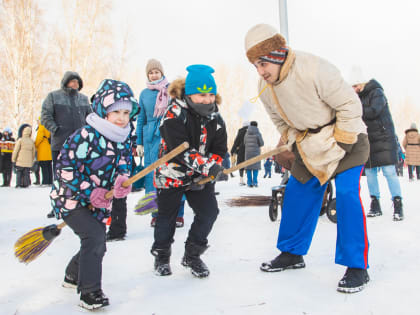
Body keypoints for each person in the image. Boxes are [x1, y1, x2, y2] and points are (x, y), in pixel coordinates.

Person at [244, 24, 370, 293]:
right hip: (311, 143)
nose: (261, 71)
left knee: (347, 194)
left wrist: (342, 141)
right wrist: (292, 140)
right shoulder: (265, 86)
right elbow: (280, 122)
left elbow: (350, 104)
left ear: (277, 55)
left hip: (347, 136)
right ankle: (292, 253)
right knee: (298, 192)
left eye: (263, 63)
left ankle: (357, 266)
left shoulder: (314, 68)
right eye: (255, 65)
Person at [49, 79, 138, 310]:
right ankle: (90, 292)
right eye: (115, 111)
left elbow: (125, 164)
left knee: (97, 241)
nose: (121, 117)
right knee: (95, 238)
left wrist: (121, 180)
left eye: (126, 112)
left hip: (100, 201)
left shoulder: (124, 137)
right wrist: (90, 192)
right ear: (102, 110)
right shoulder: (85, 136)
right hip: (69, 197)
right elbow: (64, 168)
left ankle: (71, 275)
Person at [151, 64, 227, 278]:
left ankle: (192, 255)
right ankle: (162, 256)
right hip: (171, 174)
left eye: (211, 94)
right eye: (202, 94)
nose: (207, 99)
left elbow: (220, 148)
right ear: (190, 93)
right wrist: (207, 166)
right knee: (167, 217)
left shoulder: (216, 118)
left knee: (209, 212)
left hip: (199, 177)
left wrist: (211, 167)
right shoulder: (173, 114)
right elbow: (178, 150)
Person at [136, 59, 185, 228]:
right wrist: (139, 142)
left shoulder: (172, 89)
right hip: (151, 138)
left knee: (175, 172)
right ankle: (156, 214)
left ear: (162, 72)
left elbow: (182, 110)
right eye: (150, 72)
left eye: (156, 71)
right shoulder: (143, 94)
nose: (154, 74)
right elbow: (141, 118)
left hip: (170, 134)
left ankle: (178, 214)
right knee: (152, 176)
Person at [352, 79, 404, 221]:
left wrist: (354, 110)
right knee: (370, 173)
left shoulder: (377, 92)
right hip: (368, 140)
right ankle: (375, 204)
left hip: (383, 138)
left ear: (362, 83)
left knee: (389, 171)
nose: (354, 89)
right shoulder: (356, 97)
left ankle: (397, 203)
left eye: (355, 86)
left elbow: (374, 111)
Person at [244, 121, 264, 187]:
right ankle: (255, 182)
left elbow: (244, 143)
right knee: (255, 167)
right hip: (256, 152)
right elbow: (261, 143)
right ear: (256, 126)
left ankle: (249, 183)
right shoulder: (258, 134)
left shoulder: (246, 134)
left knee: (249, 168)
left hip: (248, 153)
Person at [35, 117, 53, 186]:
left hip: (43, 150)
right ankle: (50, 181)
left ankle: (45, 182)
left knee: (44, 166)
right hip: (49, 149)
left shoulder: (42, 127)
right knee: (49, 166)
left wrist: (35, 145)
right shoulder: (49, 126)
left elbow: (39, 138)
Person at [231, 121, 249, 185]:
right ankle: (250, 180)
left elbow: (236, 142)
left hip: (242, 150)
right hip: (250, 150)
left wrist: (232, 150)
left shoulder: (241, 131)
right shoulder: (252, 131)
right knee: (250, 164)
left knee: (241, 164)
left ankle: (241, 180)